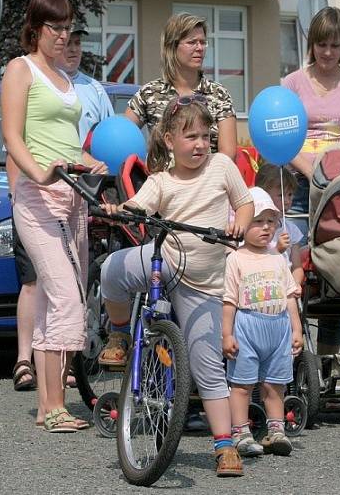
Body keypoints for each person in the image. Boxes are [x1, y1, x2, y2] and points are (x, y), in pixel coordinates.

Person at [99, 97, 253, 476]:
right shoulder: (161, 181)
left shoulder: (222, 166)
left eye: (205, 136)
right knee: (110, 270)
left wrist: (241, 223)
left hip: (204, 285)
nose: (201, 144)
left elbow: (245, 204)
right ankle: (119, 336)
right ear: (169, 140)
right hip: (165, 263)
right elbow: (139, 206)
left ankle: (224, 445)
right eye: (191, 137)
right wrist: (122, 210)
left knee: (207, 365)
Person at [0, 0, 106, 432]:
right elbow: (12, 137)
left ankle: (48, 406)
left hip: (74, 194)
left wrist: (92, 163)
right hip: (38, 196)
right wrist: (39, 175)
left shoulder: (65, 79)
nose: (64, 36)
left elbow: (68, 138)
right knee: (65, 296)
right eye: (57, 28)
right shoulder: (20, 70)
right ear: (36, 29)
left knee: (51, 300)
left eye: (69, 28)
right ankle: (58, 403)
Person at [282, 7, 340, 411]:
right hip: (301, 183)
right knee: (291, 270)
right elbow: (279, 136)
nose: (328, 52)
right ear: (311, 43)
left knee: (336, 276)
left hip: (339, 188)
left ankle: (328, 374)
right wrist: (309, 169)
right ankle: (286, 368)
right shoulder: (291, 84)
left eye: (335, 45)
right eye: (321, 44)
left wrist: (335, 177)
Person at [222, 187, 302, 458]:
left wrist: (297, 329)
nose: (266, 228)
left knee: (274, 385)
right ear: (242, 223)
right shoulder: (235, 258)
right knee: (242, 385)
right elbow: (229, 301)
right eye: (257, 221)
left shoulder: (278, 259)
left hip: (278, 327)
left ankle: (276, 430)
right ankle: (240, 432)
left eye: (271, 221)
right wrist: (226, 334)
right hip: (247, 325)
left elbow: (290, 296)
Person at [123, 12, 237, 160]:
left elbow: (228, 154)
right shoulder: (149, 93)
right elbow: (122, 136)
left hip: (209, 180)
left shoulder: (218, 94)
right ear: (172, 46)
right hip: (162, 181)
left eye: (203, 42)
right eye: (192, 42)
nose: (200, 48)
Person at [255, 164, 305, 294]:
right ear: (264, 194)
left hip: (286, 287)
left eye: (290, 194)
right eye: (281, 195)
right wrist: (277, 249)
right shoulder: (255, 228)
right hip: (263, 286)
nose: (287, 201)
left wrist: (296, 283)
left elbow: (297, 266)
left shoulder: (291, 229)